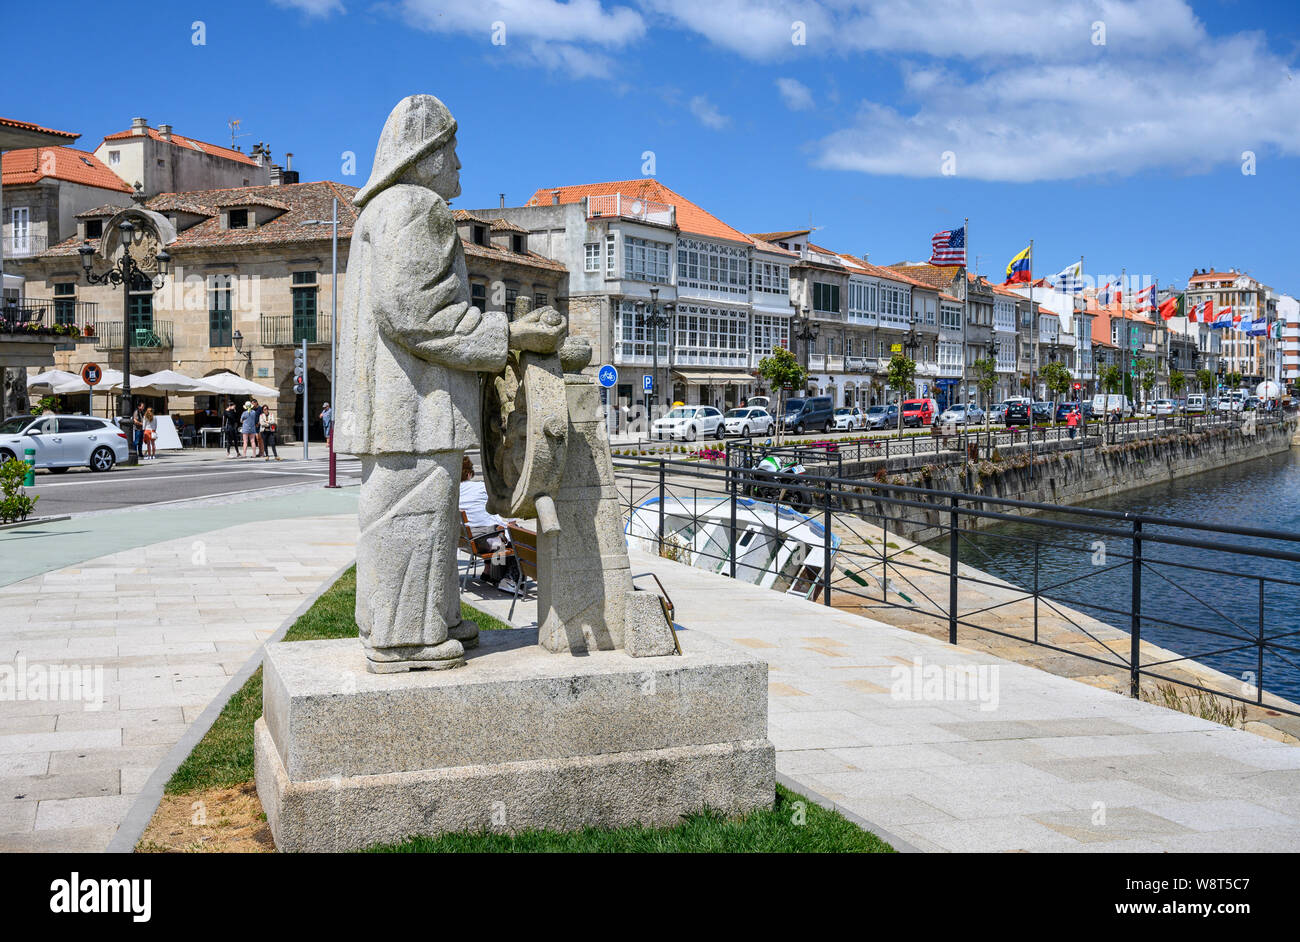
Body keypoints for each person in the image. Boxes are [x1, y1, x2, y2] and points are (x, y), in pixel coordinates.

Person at [334, 93, 565, 672]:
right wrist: (511, 336)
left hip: (393, 402)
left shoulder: (377, 213)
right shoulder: (416, 207)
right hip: (412, 402)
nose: (461, 164)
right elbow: (418, 315)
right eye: (453, 150)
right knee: (412, 514)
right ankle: (403, 636)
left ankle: (432, 618)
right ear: (427, 154)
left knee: (420, 511)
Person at [458, 456, 524, 592]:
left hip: (468, 541)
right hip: (484, 541)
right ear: (469, 474)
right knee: (517, 536)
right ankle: (510, 579)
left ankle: (489, 572)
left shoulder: (453, 492)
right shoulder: (481, 487)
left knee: (494, 531)